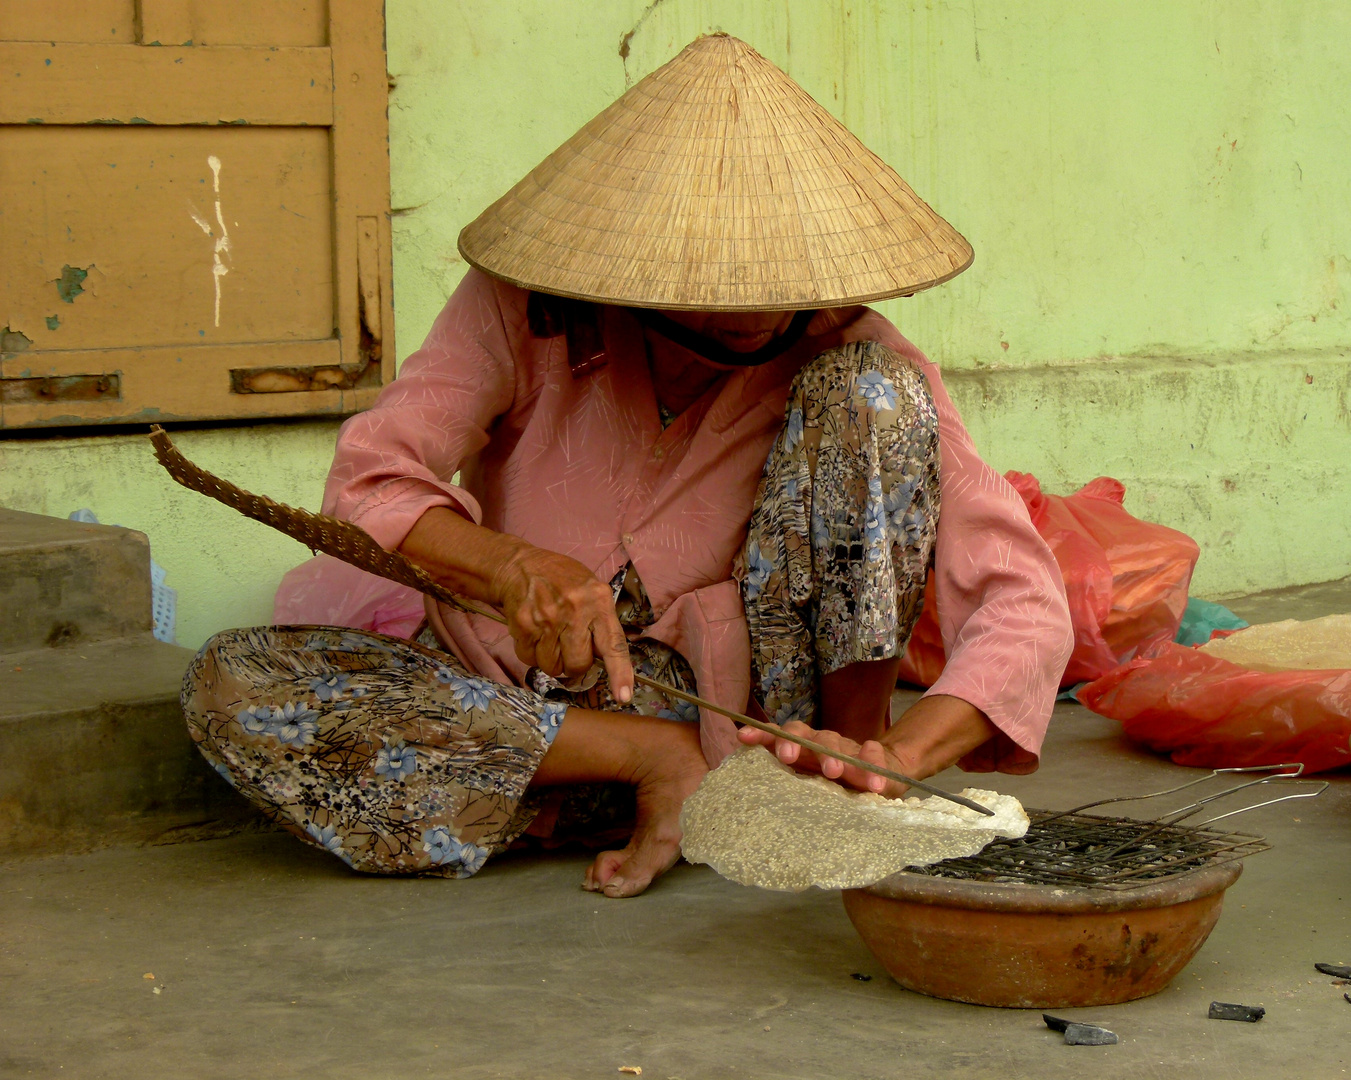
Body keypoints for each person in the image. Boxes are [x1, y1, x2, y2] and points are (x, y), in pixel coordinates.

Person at [182, 34, 1073, 898]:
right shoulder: (521, 309)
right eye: (713, 284)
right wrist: (514, 567)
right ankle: (649, 770)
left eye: (777, 283)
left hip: (749, 725)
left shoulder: (853, 351)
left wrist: (896, 758)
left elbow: (1023, 603)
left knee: (872, 394)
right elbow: (372, 482)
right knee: (233, 684)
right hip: (510, 705)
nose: (750, 314)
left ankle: (800, 788)